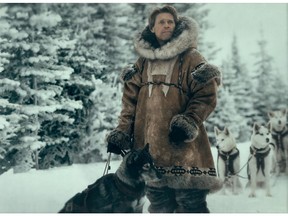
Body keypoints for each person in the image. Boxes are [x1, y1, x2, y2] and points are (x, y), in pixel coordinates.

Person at [106, 5, 222, 213]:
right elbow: (129, 103)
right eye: (162, 22)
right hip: (150, 157)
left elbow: (206, 95)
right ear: (152, 28)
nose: (167, 25)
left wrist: (189, 122)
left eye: (171, 21)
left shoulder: (192, 58)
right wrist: (122, 132)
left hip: (186, 153)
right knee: (160, 208)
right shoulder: (142, 63)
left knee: (191, 207)